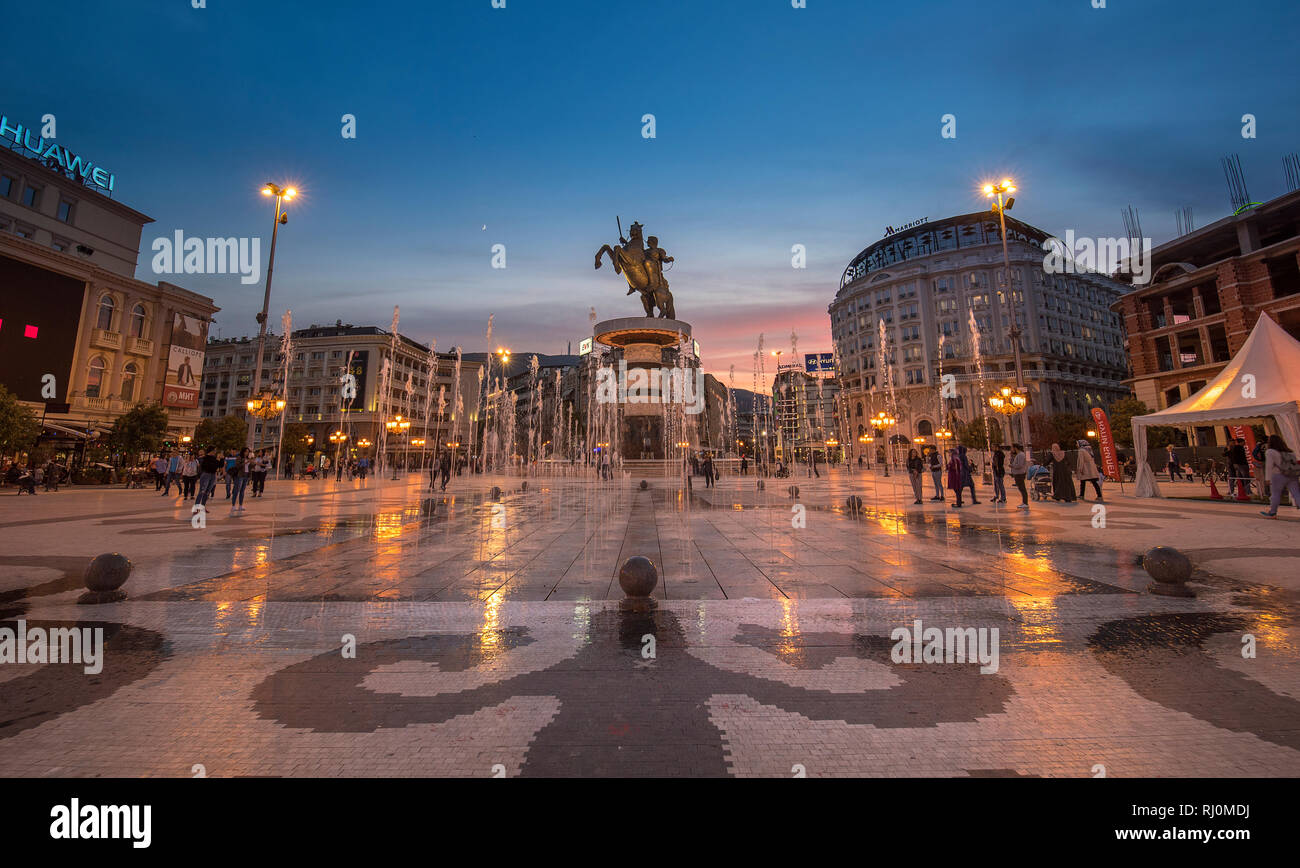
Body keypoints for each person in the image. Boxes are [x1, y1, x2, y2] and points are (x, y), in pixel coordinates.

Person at [1260, 435, 1300, 518]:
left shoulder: (1270, 451)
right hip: (1292, 475)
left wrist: (1267, 478)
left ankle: (1272, 512)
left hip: (1278, 476)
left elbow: (1269, 466)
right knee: (1296, 494)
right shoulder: (1290, 452)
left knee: (1275, 494)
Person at [229, 447, 251, 513]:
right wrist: (245, 462)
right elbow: (237, 466)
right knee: (236, 490)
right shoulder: (239, 457)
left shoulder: (247, 458)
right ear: (243, 452)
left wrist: (252, 463)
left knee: (242, 491)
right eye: (246, 451)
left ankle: (240, 505)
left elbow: (249, 466)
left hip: (246, 475)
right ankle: (233, 506)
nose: (247, 453)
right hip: (240, 476)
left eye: (248, 452)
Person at [1008, 443, 1029, 509]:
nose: (1011, 449)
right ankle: (1024, 502)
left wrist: (1012, 466)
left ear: (1015, 448)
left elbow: (1019, 465)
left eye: (1012, 448)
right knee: (1021, 488)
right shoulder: (1018, 455)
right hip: (1017, 474)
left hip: (1020, 474)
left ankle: (1025, 503)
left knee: (1022, 488)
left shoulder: (1021, 455)